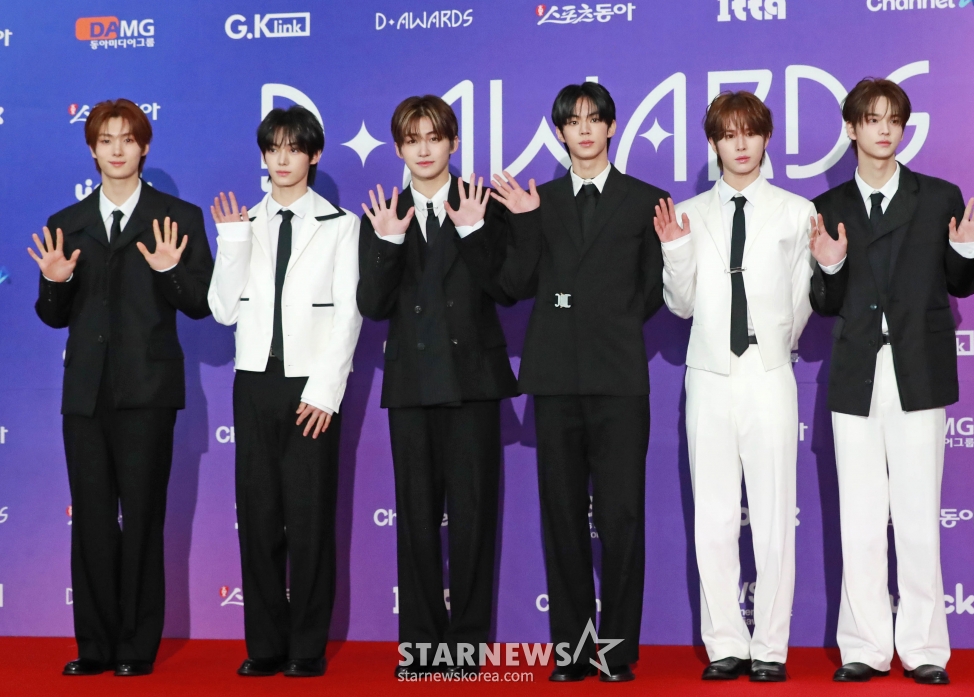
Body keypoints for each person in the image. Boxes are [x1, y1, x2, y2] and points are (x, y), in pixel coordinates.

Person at [809, 78, 974, 686]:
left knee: (916, 517)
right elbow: (824, 302)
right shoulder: (828, 206)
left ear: (904, 129)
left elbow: (962, 284)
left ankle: (924, 648)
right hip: (857, 372)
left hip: (919, 369)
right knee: (859, 518)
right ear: (852, 128)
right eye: (872, 119)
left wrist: (966, 253)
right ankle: (863, 646)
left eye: (894, 119)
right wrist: (830, 265)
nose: (884, 129)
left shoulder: (938, 197)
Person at [487, 81, 668, 682]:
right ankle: (570, 649)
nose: (584, 129)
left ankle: (616, 652)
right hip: (556, 379)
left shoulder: (647, 201)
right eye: (573, 121)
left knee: (622, 518)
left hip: (619, 378)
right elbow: (513, 285)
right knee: (561, 517)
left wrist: (603, 319)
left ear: (612, 127)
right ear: (560, 132)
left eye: (594, 119)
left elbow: (652, 290)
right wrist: (525, 223)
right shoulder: (537, 201)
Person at [28, 99, 213, 677]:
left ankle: (136, 647)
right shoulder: (67, 221)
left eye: (127, 139)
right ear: (91, 148)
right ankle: (94, 646)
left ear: (144, 146)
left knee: (142, 518)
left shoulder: (176, 218)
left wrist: (169, 270)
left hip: (148, 392)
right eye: (105, 139)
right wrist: (55, 284)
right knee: (90, 520)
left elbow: (200, 303)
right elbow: (52, 315)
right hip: (85, 395)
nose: (116, 149)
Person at [356, 95, 519, 678]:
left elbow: (508, 289)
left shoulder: (482, 203)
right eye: (412, 140)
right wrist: (387, 244)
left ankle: (467, 648)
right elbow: (372, 306)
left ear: (453, 142)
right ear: (399, 149)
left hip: (473, 383)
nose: (423, 149)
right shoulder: (383, 212)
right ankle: (423, 648)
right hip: (411, 386)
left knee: (474, 520)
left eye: (433, 137)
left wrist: (474, 232)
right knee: (417, 522)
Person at [656, 91, 814, 683]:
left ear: (766, 137)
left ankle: (771, 646)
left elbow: (801, 301)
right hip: (708, 374)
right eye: (728, 134)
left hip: (769, 372)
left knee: (774, 517)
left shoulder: (797, 212)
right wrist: (675, 250)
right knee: (714, 516)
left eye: (750, 132)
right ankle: (725, 641)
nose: (740, 144)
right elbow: (680, 305)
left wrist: (772, 345)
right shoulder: (689, 214)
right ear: (714, 142)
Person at [207, 106, 362, 678]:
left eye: (294, 148)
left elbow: (348, 315)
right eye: (273, 148)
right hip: (254, 384)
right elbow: (222, 309)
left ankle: (306, 647)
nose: (282, 158)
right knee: (259, 518)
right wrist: (232, 241)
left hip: (311, 387)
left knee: (310, 519)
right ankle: (265, 645)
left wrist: (325, 391)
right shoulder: (243, 223)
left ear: (313, 155)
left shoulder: (341, 224)